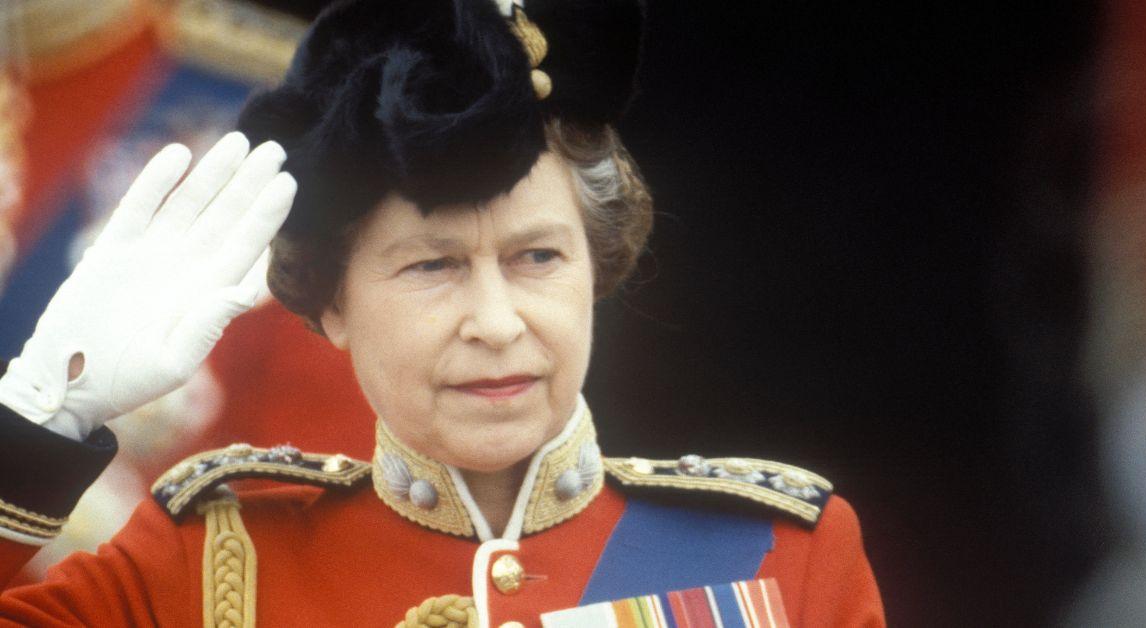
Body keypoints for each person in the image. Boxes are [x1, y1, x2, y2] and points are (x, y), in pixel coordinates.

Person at [0, 0, 884, 625]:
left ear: (596, 269)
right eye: (433, 265)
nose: (496, 322)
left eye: (537, 257)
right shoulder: (203, 561)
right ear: (331, 303)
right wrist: (43, 416)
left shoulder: (780, 554)